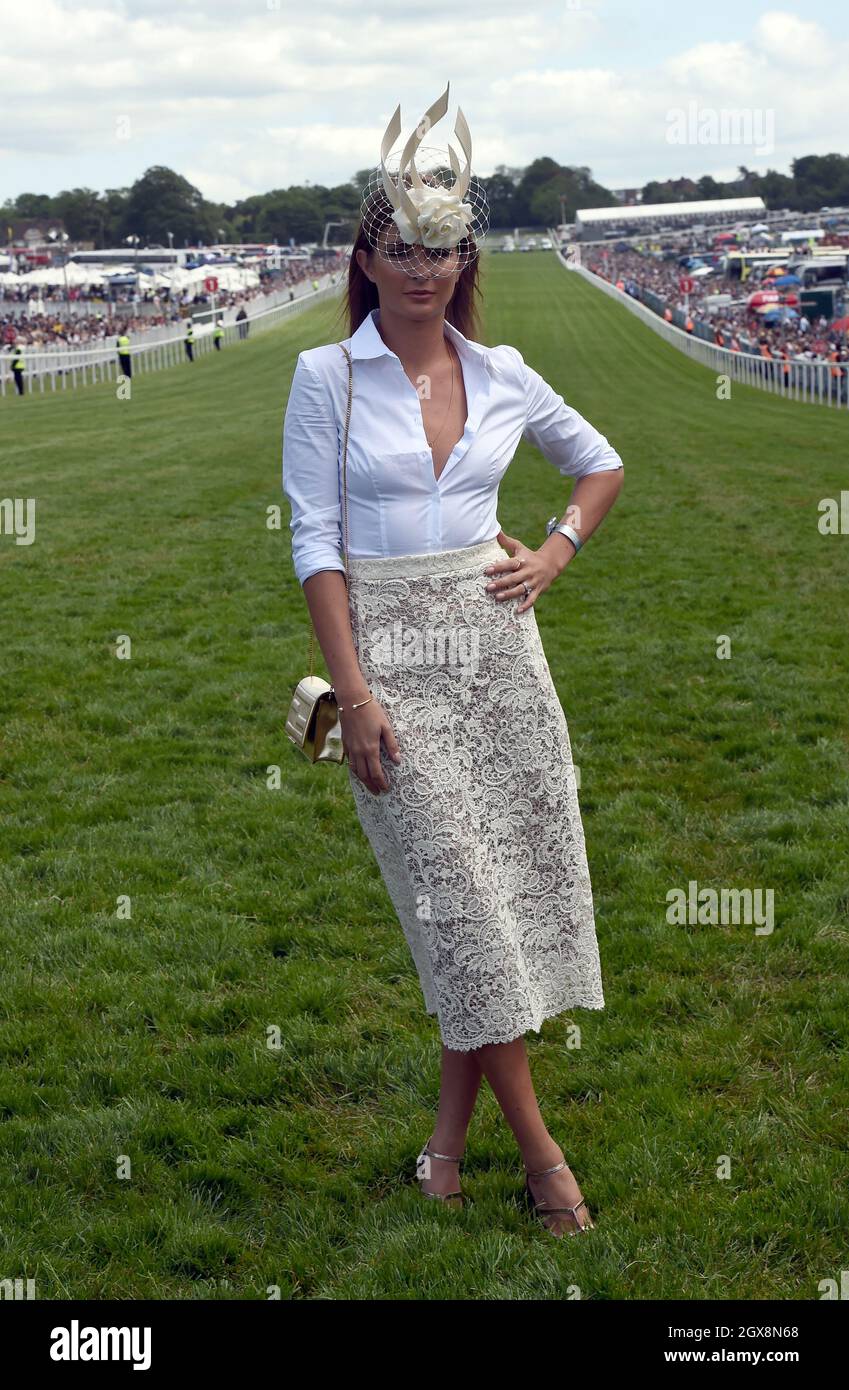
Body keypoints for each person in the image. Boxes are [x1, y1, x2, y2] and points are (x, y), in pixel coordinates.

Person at [282, 84, 624, 1239]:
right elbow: (316, 543)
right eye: (400, 247)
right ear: (367, 259)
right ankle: (545, 1161)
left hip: (499, 661)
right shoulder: (326, 379)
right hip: (391, 675)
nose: (422, 267)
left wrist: (556, 553)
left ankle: (442, 1151)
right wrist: (360, 696)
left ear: (463, 258)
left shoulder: (508, 369)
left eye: (442, 248)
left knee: (486, 916)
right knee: (466, 917)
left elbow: (602, 465)